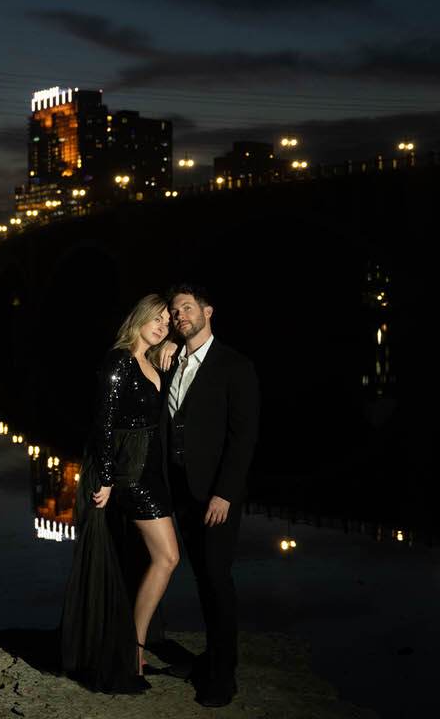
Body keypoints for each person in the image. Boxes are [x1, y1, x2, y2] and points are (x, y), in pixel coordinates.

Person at [60, 294, 181, 693]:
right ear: (140, 317)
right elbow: (104, 424)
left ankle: (133, 644)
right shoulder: (119, 361)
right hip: (130, 474)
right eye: (158, 318)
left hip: (153, 469)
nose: (163, 325)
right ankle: (134, 648)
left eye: (168, 321)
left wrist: (171, 347)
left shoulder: (152, 358)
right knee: (168, 556)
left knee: (150, 559)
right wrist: (108, 479)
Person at [161, 284, 259, 708]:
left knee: (218, 578)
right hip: (180, 489)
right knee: (202, 578)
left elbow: (244, 437)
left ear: (208, 311)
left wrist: (225, 493)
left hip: (216, 496)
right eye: (174, 310)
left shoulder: (235, 366)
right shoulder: (171, 361)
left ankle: (224, 675)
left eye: (187, 307)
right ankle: (213, 655)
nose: (180, 315)